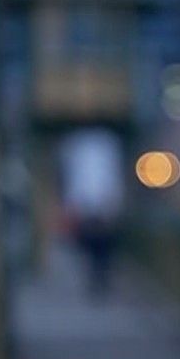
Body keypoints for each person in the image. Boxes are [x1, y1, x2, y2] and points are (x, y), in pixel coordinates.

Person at [59, 126, 125, 299]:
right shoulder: (94, 144)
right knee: (96, 249)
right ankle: (97, 279)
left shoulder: (102, 144)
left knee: (100, 250)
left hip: (98, 208)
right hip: (93, 209)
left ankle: (99, 279)